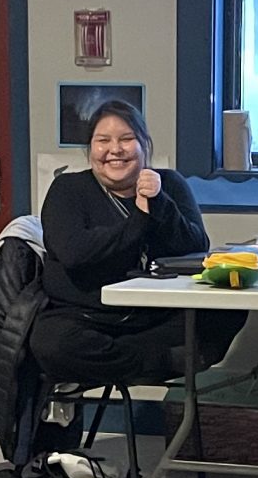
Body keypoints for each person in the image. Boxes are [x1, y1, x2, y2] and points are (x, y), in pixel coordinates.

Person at [30, 99, 218, 410]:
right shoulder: (68, 189)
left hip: (156, 318)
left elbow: (196, 248)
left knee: (228, 310)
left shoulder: (169, 183)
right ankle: (162, 360)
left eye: (127, 139)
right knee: (50, 344)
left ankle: (137, 357)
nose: (115, 149)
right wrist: (138, 222)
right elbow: (74, 252)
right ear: (90, 149)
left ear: (144, 145)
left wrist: (159, 203)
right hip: (88, 318)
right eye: (103, 140)